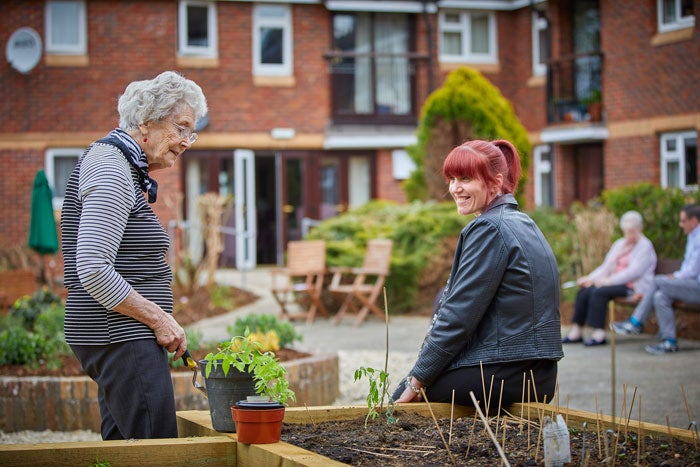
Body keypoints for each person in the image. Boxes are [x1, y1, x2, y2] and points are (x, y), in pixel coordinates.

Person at [60, 71, 207, 439]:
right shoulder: (111, 167)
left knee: (124, 450)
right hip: (121, 336)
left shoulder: (121, 166)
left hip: (120, 337)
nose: (187, 141)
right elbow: (93, 268)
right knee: (156, 449)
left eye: (193, 131)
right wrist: (160, 320)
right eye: (182, 127)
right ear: (147, 121)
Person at [393, 139, 563, 409]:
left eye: (465, 178)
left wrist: (418, 379)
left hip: (504, 371)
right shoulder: (523, 223)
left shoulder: (490, 228)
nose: (455, 188)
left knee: (401, 403)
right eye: (451, 179)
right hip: (538, 373)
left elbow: (458, 317)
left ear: (495, 182)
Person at [613, 204, 700, 354]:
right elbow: (689, 267)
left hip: (696, 287)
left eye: (683, 221)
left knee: (658, 281)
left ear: (694, 221)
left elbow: (692, 270)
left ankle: (636, 322)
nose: (681, 225)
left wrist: (675, 276)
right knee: (660, 296)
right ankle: (669, 341)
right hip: (692, 285)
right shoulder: (693, 237)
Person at [562, 211, 657, 346]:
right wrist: (590, 278)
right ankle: (576, 330)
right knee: (585, 291)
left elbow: (633, 273)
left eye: (632, 231)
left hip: (633, 286)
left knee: (599, 292)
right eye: (626, 231)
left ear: (639, 229)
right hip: (613, 283)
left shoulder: (645, 246)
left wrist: (608, 282)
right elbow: (606, 267)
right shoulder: (620, 244)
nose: (628, 235)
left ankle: (599, 333)